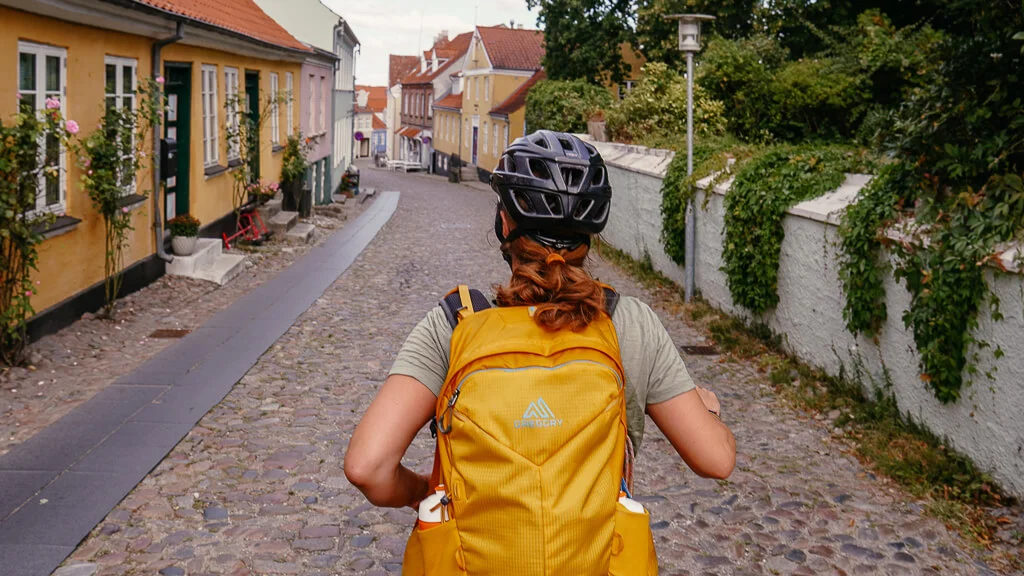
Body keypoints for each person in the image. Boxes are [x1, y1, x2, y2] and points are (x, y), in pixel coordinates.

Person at [345, 130, 736, 575]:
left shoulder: (457, 323)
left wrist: (422, 488)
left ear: (505, 223)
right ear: (592, 233)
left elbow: (367, 466)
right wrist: (709, 409)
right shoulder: (628, 323)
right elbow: (716, 460)